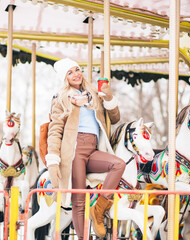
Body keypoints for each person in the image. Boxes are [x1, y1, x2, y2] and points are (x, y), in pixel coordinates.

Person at [45, 58, 125, 239]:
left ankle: (98, 209)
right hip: (74, 151)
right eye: (70, 72)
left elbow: (115, 118)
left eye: (77, 69)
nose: (76, 74)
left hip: (93, 148)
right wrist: (53, 159)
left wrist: (109, 97)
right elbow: (55, 129)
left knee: (118, 165)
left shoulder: (94, 95)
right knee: (79, 200)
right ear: (64, 78)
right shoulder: (61, 99)